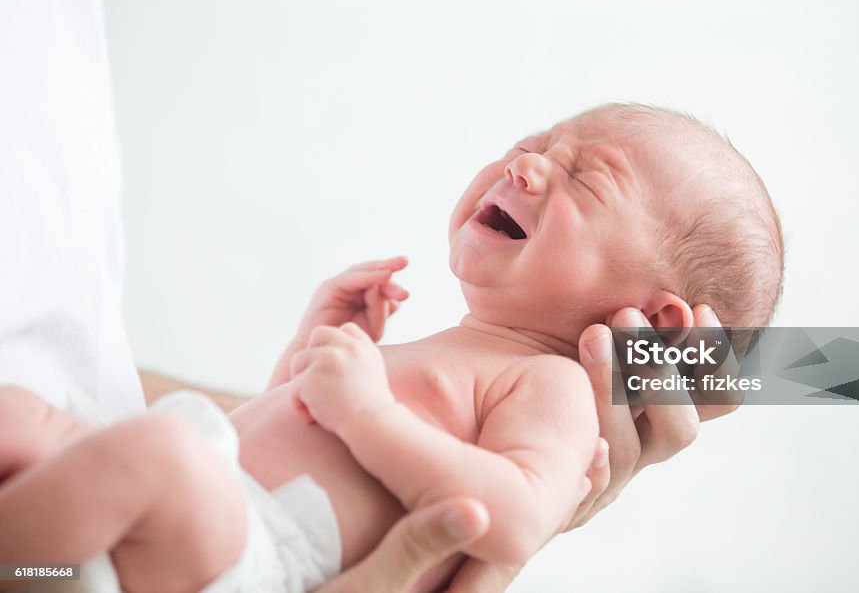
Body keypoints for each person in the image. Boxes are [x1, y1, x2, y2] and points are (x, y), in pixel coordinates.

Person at [0, 104, 780, 591]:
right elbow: (289, 431)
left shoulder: (557, 388)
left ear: (660, 323)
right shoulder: (461, 347)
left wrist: (369, 411)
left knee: (153, 454)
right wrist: (311, 349)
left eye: (587, 179)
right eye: (533, 141)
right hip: (222, 490)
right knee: (26, 416)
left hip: (261, 554)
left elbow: (509, 516)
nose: (526, 163)